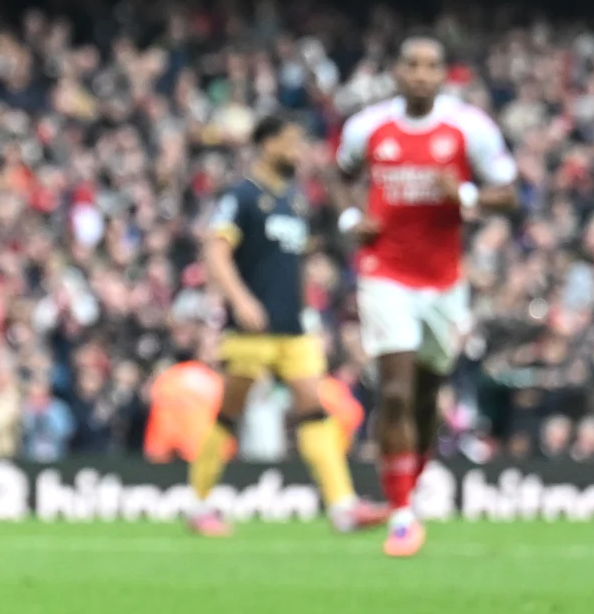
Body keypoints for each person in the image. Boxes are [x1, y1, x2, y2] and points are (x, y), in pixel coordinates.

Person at [335, 37, 518, 558]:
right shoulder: (368, 126)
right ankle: (400, 516)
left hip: (443, 282)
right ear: (396, 71)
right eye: (410, 65)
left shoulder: (469, 127)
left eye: (430, 66)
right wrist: (353, 218)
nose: (419, 74)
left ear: (444, 75)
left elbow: (507, 191)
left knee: (426, 399)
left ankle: (404, 495)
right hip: (384, 273)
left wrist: (461, 195)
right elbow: (342, 172)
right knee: (394, 390)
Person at [186, 113, 379, 537]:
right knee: (230, 413)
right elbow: (215, 253)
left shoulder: (295, 199)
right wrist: (241, 301)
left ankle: (343, 505)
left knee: (313, 408)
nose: (297, 151)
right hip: (251, 330)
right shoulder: (242, 196)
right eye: (290, 142)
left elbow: (290, 263)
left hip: (292, 326)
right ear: (268, 143)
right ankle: (198, 504)